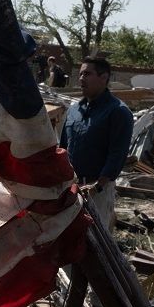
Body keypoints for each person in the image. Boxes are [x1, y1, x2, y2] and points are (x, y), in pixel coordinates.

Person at [60, 57, 134, 228]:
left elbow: (117, 154)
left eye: (87, 74)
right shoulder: (73, 110)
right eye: (80, 74)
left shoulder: (118, 112)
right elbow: (62, 148)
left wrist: (97, 186)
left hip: (97, 190)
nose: (81, 78)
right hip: (70, 188)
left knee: (94, 240)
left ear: (104, 77)